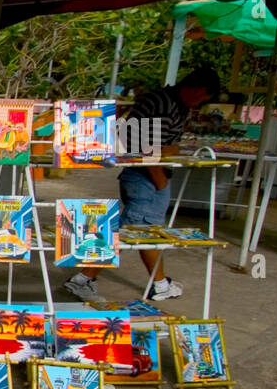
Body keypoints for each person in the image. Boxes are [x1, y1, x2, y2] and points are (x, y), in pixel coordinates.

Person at [64, 67, 221, 302]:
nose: (198, 105)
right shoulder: (161, 102)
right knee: (137, 230)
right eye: (201, 98)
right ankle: (87, 279)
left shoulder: (173, 104)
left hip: (150, 175)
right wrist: (159, 181)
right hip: (146, 177)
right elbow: (142, 145)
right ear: (197, 89)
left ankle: (154, 282)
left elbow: (160, 146)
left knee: (137, 230)